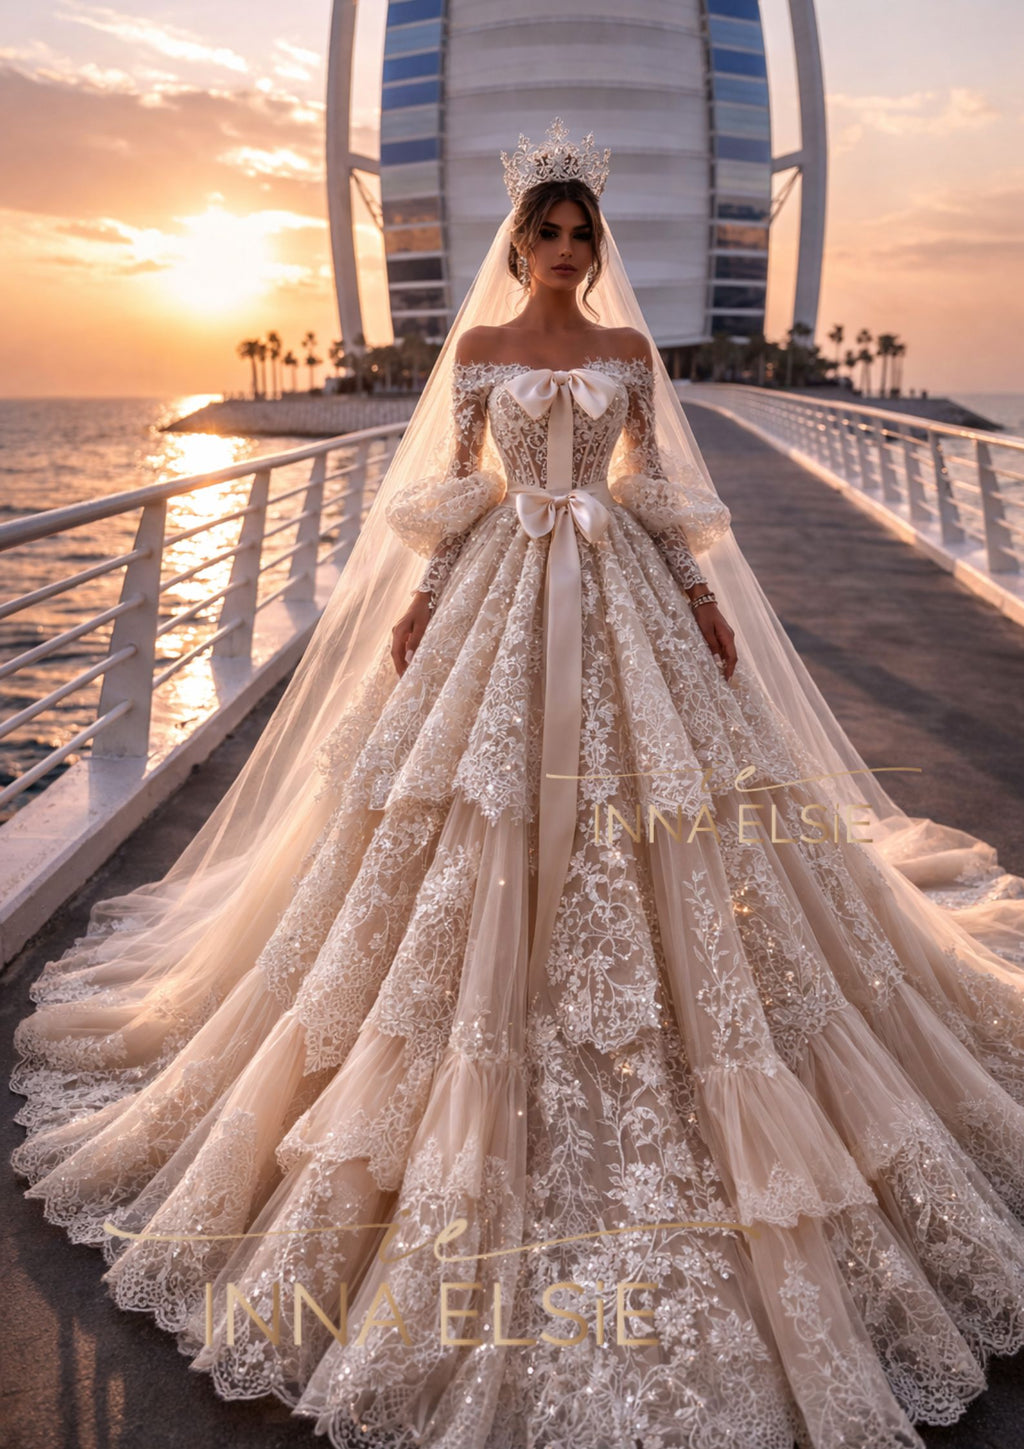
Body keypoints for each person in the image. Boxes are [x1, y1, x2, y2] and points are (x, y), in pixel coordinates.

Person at [10, 119, 1024, 1449]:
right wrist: (427, 598)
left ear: (598, 249)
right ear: (518, 244)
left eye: (577, 233)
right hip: (502, 592)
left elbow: (653, 487)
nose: (558, 248)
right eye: (542, 232)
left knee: (662, 812)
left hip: (616, 592)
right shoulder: (482, 354)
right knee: (462, 815)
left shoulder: (626, 357)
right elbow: (455, 487)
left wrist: (707, 604)